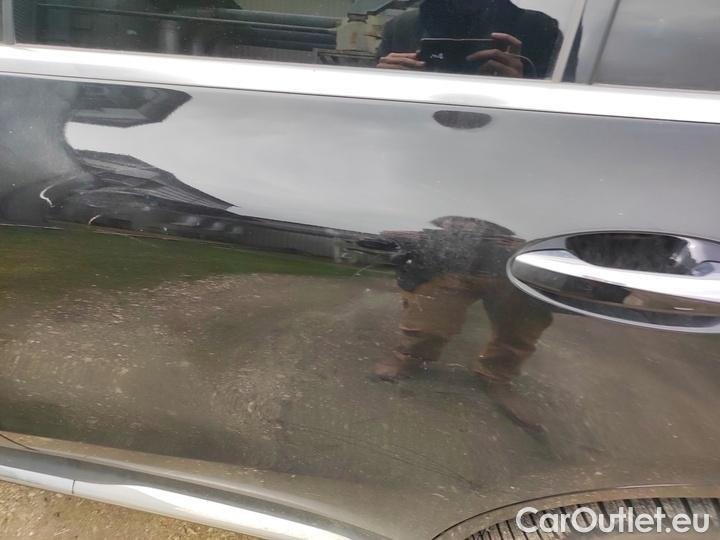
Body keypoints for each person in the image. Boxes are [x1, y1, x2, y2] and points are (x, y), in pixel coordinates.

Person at [377, 0, 561, 79]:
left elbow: (560, 105)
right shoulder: (401, 27)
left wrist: (520, 86)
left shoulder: (539, 30)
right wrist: (383, 80)